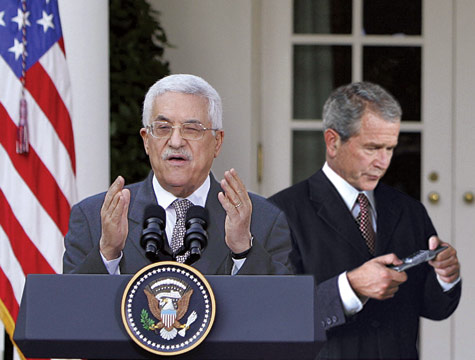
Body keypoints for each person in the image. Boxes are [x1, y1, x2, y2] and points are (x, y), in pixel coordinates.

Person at [270, 82, 461, 359]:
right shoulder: (280, 213)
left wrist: (446, 277)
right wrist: (350, 287)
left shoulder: (409, 211)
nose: (383, 162)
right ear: (333, 142)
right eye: (372, 148)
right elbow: (279, 316)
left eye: (389, 149)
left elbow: (435, 308)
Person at [63, 74, 292, 276]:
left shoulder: (264, 221)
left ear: (217, 142)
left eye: (191, 129)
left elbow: (284, 312)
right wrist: (108, 252)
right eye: (163, 128)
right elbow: (69, 313)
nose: (175, 141)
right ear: (146, 140)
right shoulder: (93, 218)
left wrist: (244, 249)